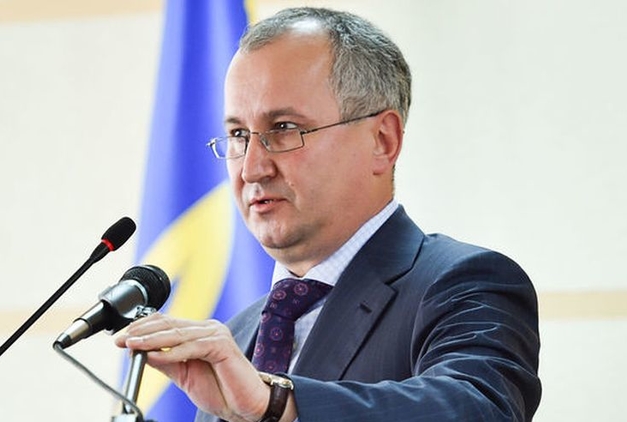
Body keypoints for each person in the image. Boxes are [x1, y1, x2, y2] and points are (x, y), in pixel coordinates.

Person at [116, 7, 541, 422]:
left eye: (284, 128)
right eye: (238, 134)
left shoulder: (464, 282)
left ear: (382, 140)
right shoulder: (239, 333)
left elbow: (477, 408)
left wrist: (276, 404)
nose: (251, 168)